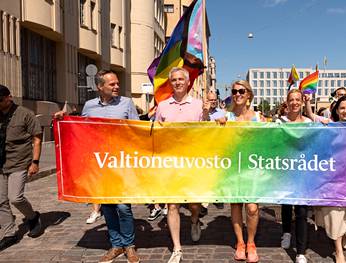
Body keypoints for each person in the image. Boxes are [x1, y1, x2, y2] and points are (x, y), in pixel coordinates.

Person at [55, 70, 140, 263]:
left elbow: (137, 131)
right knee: (108, 207)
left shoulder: (126, 103)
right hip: (99, 166)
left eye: (117, 83)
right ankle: (116, 245)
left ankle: (130, 245)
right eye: (112, 84)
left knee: (123, 207)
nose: (117, 86)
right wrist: (65, 119)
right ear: (100, 87)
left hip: (121, 164)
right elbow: (82, 130)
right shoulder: (89, 106)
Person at [154, 67, 210, 263]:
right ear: (171, 83)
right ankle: (177, 248)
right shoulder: (162, 106)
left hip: (193, 162)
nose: (177, 82)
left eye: (181, 79)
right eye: (174, 80)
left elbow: (207, 131)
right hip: (171, 163)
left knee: (194, 204)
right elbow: (155, 133)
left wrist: (212, 117)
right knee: (172, 205)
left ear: (188, 83)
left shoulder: (197, 105)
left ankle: (195, 220)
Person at [315, 96, 346, 263]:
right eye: (342, 108)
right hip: (333, 180)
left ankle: (342, 234)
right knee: (334, 213)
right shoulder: (329, 127)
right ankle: (338, 251)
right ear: (336, 110)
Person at [222, 80, 264, 263]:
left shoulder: (258, 118)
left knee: (252, 208)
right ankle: (240, 243)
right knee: (236, 205)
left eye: (241, 91)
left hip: (253, 167)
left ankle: (251, 242)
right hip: (233, 168)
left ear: (249, 95)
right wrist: (217, 123)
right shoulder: (226, 117)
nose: (237, 94)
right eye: (234, 91)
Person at [0, 85, 43, 252]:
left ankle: (33, 217)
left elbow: (37, 140)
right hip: (1, 162)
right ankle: (10, 233)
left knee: (15, 197)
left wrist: (35, 162)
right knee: (0, 201)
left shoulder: (25, 114)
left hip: (19, 161)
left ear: (8, 97)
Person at [277, 89, 313, 263]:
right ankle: (286, 232)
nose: (294, 103)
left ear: (301, 101)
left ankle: (300, 251)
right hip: (285, 170)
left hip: (303, 172)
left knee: (301, 211)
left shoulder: (308, 123)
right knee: (286, 205)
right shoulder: (280, 122)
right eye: (291, 100)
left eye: (297, 99)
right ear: (287, 102)